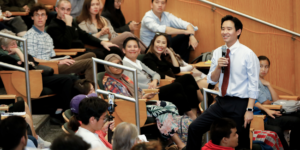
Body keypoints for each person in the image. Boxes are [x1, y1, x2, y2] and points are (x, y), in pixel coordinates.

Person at [186, 15, 260, 150]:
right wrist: (218, 67)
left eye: (229, 29)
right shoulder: (217, 52)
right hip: (221, 101)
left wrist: (249, 109)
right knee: (194, 128)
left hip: (240, 104)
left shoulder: (248, 54)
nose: (224, 32)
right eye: (223, 29)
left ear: (238, 32)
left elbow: (253, 85)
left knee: (240, 141)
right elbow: (212, 80)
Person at [103, 54, 189, 149]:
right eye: (113, 64)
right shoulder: (109, 81)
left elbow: (138, 92)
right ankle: (180, 145)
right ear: (107, 66)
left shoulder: (123, 76)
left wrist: (145, 96)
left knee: (170, 106)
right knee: (163, 112)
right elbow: (125, 100)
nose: (117, 66)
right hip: (131, 108)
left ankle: (170, 141)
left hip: (140, 102)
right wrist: (142, 99)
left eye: (119, 63)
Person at [0, 29, 77, 124]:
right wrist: (20, 54)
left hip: (35, 75)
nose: (16, 46)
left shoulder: (16, 53)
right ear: (3, 47)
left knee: (73, 78)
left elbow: (32, 61)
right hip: (26, 80)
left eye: (15, 43)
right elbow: (28, 66)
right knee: (66, 80)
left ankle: (71, 112)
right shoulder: (4, 57)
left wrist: (24, 61)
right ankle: (62, 116)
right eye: (12, 44)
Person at [122, 37, 200, 120]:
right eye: (129, 47)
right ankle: (194, 115)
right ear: (124, 50)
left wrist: (154, 81)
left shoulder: (138, 62)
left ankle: (187, 120)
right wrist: (148, 87)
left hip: (155, 88)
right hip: (147, 93)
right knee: (178, 85)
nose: (132, 49)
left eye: (135, 47)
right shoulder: (123, 65)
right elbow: (130, 84)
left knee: (180, 94)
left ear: (139, 50)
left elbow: (156, 74)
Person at [22, 3, 96, 81]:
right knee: (90, 62)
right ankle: (90, 89)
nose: (40, 18)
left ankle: (82, 83)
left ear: (46, 17)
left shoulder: (46, 36)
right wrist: (58, 62)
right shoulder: (30, 36)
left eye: (43, 15)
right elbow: (33, 60)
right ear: (32, 17)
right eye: (37, 15)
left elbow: (52, 55)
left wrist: (65, 58)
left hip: (53, 62)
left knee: (91, 55)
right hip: (47, 66)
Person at [47, 0, 124, 72]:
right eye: (62, 9)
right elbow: (66, 45)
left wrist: (102, 43)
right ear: (57, 10)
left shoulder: (70, 22)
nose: (65, 12)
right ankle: (103, 78)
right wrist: (68, 25)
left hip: (83, 50)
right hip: (72, 54)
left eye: (68, 10)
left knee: (114, 49)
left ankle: (122, 73)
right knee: (101, 55)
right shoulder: (53, 27)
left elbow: (84, 35)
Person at [142, 32, 208, 90]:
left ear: (166, 46)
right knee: (188, 77)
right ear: (153, 43)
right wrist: (173, 80)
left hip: (172, 82)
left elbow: (176, 69)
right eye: (158, 42)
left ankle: (201, 102)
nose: (160, 45)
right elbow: (158, 74)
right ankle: (203, 99)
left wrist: (171, 53)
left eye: (163, 43)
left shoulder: (162, 58)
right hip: (165, 83)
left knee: (191, 87)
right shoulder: (148, 57)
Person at [77, 0, 147, 53]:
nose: (96, 7)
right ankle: (147, 51)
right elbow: (86, 39)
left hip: (110, 42)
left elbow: (114, 35)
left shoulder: (104, 20)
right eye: (93, 5)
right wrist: (100, 33)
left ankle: (147, 51)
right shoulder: (83, 24)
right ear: (87, 7)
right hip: (97, 45)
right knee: (127, 34)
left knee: (129, 38)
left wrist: (109, 34)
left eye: (97, 4)